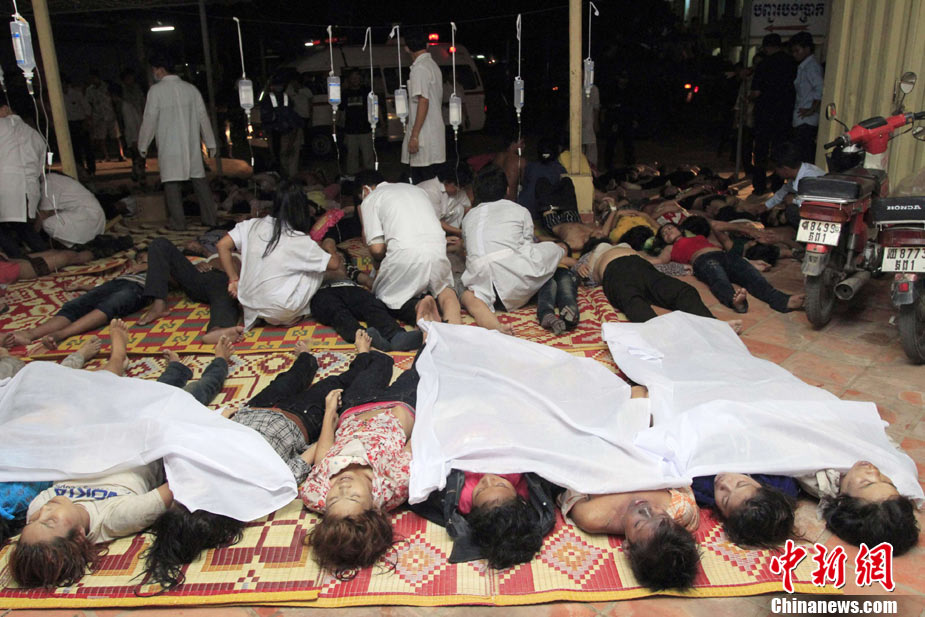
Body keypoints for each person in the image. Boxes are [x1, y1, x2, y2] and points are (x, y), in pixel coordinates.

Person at [299, 333, 421, 578]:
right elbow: (414, 445)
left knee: (379, 364)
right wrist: (426, 411)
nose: (343, 487)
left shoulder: (313, 495)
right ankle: (428, 339)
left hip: (354, 409)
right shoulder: (393, 487)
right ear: (374, 508)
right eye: (353, 496)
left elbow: (323, 459)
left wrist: (329, 414)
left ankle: (366, 352)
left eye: (334, 499)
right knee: (423, 370)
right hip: (399, 405)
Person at [216, 181, 338, 330]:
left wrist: (233, 279)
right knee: (316, 269)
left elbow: (222, 245)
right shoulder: (298, 239)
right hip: (280, 310)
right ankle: (295, 315)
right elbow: (334, 264)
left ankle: (265, 309)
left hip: (249, 305)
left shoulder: (252, 224)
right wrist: (329, 246)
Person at [459, 164, 565, 334]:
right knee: (553, 249)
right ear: (507, 190)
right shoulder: (519, 210)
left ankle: (496, 325)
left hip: (483, 289)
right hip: (517, 285)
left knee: (467, 291)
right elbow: (527, 246)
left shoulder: (468, 217)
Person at [356, 170, 461, 325]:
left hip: (406, 255)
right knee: (445, 289)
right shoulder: (417, 190)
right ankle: (455, 326)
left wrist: (378, 261)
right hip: (438, 251)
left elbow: (377, 249)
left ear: (365, 190)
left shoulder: (371, 197)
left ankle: (419, 307)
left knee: (389, 300)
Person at [410, 468, 563, 570]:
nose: (488, 479)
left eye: (480, 490)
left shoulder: (464, 498)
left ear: (471, 509)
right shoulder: (522, 487)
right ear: (519, 496)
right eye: (501, 484)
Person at [137, 53, 219, 231]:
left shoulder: (156, 91)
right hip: (191, 145)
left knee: (171, 184)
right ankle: (210, 218)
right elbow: (203, 117)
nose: (153, 73)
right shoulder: (191, 89)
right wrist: (210, 142)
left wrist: (143, 144)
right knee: (199, 181)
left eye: (154, 70)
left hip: (169, 146)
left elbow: (149, 119)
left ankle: (178, 222)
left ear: (159, 70)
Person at [584, 241, 742, 331]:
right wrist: (582, 270)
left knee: (683, 291)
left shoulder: (626, 245)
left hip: (642, 266)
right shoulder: (593, 253)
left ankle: (714, 326)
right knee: (633, 301)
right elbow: (585, 276)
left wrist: (679, 268)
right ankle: (662, 335)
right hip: (614, 271)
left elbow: (658, 264)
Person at [4, 251, 148, 349]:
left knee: (111, 304)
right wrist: (81, 286)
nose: (141, 259)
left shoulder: (157, 266)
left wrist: (149, 265)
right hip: (117, 283)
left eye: (145, 256)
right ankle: (30, 334)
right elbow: (105, 286)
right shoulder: (130, 270)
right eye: (139, 258)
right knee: (77, 305)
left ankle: (61, 334)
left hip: (137, 288)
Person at [653, 222, 804, 313]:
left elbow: (721, 241)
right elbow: (658, 261)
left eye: (670, 228)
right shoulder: (670, 248)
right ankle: (735, 302)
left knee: (754, 277)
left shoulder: (699, 237)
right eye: (664, 233)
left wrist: (750, 261)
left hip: (726, 256)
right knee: (718, 279)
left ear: (680, 229)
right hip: (703, 260)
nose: (668, 232)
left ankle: (783, 301)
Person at [309, 250, 424, 352]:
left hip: (351, 288)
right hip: (323, 292)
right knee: (337, 313)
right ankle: (366, 338)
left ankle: (396, 336)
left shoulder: (348, 269)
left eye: (340, 257)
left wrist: (382, 287)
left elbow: (366, 280)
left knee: (372, 305)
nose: (335, 260)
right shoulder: (313, 265)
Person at [138, 237, 243, 344]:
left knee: (223, 298)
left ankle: (217, 329)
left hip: (226, 281)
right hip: (200, 278)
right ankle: (159, 303)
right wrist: (197, 264)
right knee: (160, 243)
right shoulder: (212, 254)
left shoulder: (246, 258)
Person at [692, 472, 797, 547]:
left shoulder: (699, 487)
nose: (725, 482)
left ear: (723, 515)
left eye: (725, 500)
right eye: (741, 484)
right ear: (758, 484)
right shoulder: (781, 481)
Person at [749, 34, 797, 195]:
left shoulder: (764, 65)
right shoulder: (792, 63)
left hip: (765, 114)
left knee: (761, 151)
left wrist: (749, 98)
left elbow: (756, 92)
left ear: (765, 47)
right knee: (780, 150)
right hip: (785, 114)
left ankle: (759, 185)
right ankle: (778, 183)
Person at [0, 91, 47, 254]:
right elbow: (40, 168)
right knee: (24, 229)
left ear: (5, 109)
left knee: (13, 230)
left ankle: (20, 260)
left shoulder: (2, 125)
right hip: (29, 189)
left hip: (6, 186)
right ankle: (45, 257)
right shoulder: (35, 135)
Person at [401, 29, 446, 184]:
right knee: (434, 183)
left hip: (424, 135)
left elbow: (423, 101)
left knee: (424, 184)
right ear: (426, 45)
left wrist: (414, 136)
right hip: (432, 134)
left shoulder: (420, 69)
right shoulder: (432, 65)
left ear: (407, 48)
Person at [762, 141, 826, 229]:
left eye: (776, 169)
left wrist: (794, 200)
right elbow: (783, 191)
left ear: (785, 169)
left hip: (822, 213)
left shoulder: (810, 178)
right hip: (815, 210)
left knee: (790, 211)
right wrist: (766, 205)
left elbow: (816, 202)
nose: (776, 172)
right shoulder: (796, 173)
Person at [36, 172, 106, 248]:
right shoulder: (54, 178)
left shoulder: (49, 181)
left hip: (87, 218)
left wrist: (32, 236)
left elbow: (43, 214)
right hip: (92, 218)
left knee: (48, 224)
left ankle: (76, 247)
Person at [790, 32, 824, 164]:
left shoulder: (811, 67)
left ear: (807, 49)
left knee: (804, 155)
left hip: (807, 120)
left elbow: (820, 87)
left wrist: (812, 109)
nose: (794, 54)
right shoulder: (804, 66)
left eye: (797, 50)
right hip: (801, 118)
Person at [259, 78, 303, 179]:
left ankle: (291, 180)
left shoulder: (283, 108)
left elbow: (294, 128)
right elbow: (269, 134)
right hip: (284, 132)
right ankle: (287, 178)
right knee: (283, 158)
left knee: (290, 160)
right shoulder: (272, 104)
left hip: (291, 132)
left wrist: (290, 145)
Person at [417, 162, 473, 237]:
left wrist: (468, 226)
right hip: (423, 224)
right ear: (447, 182)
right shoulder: (431, 190)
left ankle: (451, 235)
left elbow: (467, 207)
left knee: (459, 208)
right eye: (457, 187)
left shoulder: (456, 189)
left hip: (441, 218)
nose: (459, 190)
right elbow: (434, 220)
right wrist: (460, 232)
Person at [518, 136, 566, 221]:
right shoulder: (560, 170)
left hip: (523, 208)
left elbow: (524, 184)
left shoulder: (531, 166)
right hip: (540, 212)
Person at [341, 69, 375, 174]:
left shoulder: (367, 91)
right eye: (353, 77)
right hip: (350, 130)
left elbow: (375, 107)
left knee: (368, 156)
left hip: (365, 129)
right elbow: (341, 110)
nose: (355, 80)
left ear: (360, 78)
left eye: (357, 77)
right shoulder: (345, 93)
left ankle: (370, 177)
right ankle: (352, 177)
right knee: (351, 156)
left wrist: (380, 123)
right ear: (349, 79)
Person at [63, 77, 95, 177]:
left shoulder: (76, 94)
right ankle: (81, 169)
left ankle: (91, 169)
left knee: (87, 147)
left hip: (80, 122)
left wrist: (87, 121)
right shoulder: (59, 95)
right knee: (75, 148)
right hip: (69, 123)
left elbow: (87, 108)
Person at [581, 83, 601, 168]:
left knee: (590, 146)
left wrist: (595, 122)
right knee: (579, 146)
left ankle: (592, 168)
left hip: (589, 121)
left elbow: (596, 107)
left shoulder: (593, 89)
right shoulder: (575, 87)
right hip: (577, 122)